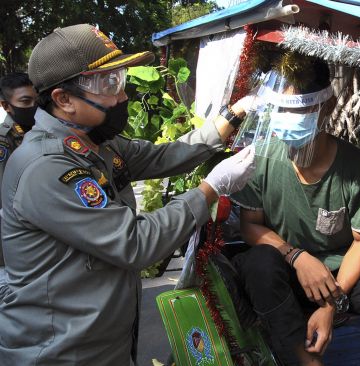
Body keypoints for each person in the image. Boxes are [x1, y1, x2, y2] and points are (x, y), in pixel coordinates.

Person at [0, 24, 255, 365]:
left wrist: (233, 114)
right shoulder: (46, 166)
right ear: (63, 99)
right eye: (109, 83)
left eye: (120, 79)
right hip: (59, 351)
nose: (123, 96)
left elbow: (162, 156)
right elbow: (135, 243)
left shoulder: (96, 142)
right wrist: (210, 188)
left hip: (105, 342)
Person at [230, 53, 360, 366]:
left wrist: (331, 303)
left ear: (327, 106)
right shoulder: (262, 157)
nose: (286, 119)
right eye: (280, 109)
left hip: (341, 274)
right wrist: (296, 256)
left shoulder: (358, 168)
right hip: (285, 270)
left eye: (299, 109)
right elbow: (250, 226)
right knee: (258, 263)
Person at [0, 72, 38, 299]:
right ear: (6, 105)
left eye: (36, 100)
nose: (33, 106)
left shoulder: (30, 134)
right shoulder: (5, 140)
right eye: (25, 102)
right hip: (10, 250)